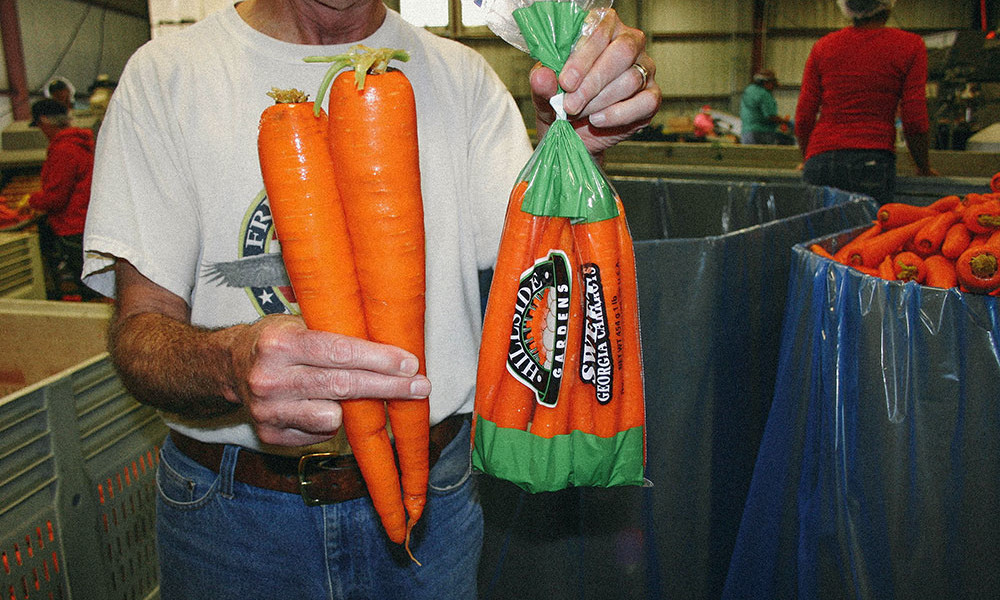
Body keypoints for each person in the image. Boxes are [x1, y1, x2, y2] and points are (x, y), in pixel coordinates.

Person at [80, 1, 660, 599]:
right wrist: (228, 365)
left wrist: (575, 143)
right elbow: (139, 332)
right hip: (230, 516)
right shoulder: (166, 76)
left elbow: (543, 275)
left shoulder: (465, 77)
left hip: (436, 494)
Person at [795, 0, 937, 205]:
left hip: (820, 162)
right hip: (871, 161)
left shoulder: (823, 46)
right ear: (888, 6)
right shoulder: (909, 45)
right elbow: (914, 119)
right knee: (867, 226)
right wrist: (923, 167)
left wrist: (808, 157)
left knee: (817, 227)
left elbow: (804, 116)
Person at [27, 98, 96, 300]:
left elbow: (56, 198)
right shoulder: (82, 143)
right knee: (91, 282)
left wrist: (31, 201)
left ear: (44, 121)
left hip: (72, 226)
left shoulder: (63, 149)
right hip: (86, 221)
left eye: (39, 126)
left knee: (87, 287)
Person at [739, 69, 793, 145]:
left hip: (746, 134)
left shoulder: (749, 90)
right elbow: (770, 116)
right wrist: (786, 122)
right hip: (762, 134)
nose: (773, 88)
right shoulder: (764, 94)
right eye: (772, 84)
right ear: (766, 82)